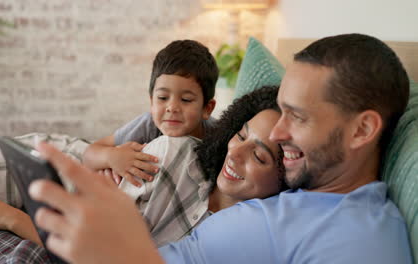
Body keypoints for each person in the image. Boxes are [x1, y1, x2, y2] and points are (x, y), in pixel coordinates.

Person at [29, 33, 413, 263]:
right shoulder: (300, 191)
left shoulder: (357, 236)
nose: (278, 133)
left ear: (361, 130)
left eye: (296, 117)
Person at [0, 87, 284, 250]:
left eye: (259, 156)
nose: (236, 153)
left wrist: (10, 218)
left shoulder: (241, 238)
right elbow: (92, 235)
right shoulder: (176, 153)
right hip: (68, 168)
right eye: (240, 135)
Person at [82, 39, 219, 187]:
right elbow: (90, 152)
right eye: (162, 98)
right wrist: (111, 158)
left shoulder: (216, 136)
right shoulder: (148, 125)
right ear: (152, 101)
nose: (172, 107)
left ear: (207, 108)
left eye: (186, 99)